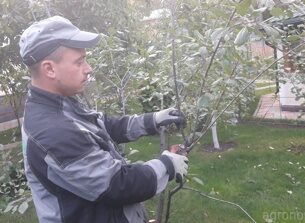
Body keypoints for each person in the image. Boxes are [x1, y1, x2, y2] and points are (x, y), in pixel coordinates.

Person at [19, 16, 188, 223]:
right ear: (49, 69)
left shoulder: (61, 104)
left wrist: (152, 119)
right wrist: (168, 165)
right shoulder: (53, 131)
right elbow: (117, 185)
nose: (89, 68)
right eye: (79, 62)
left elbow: (102, 125)